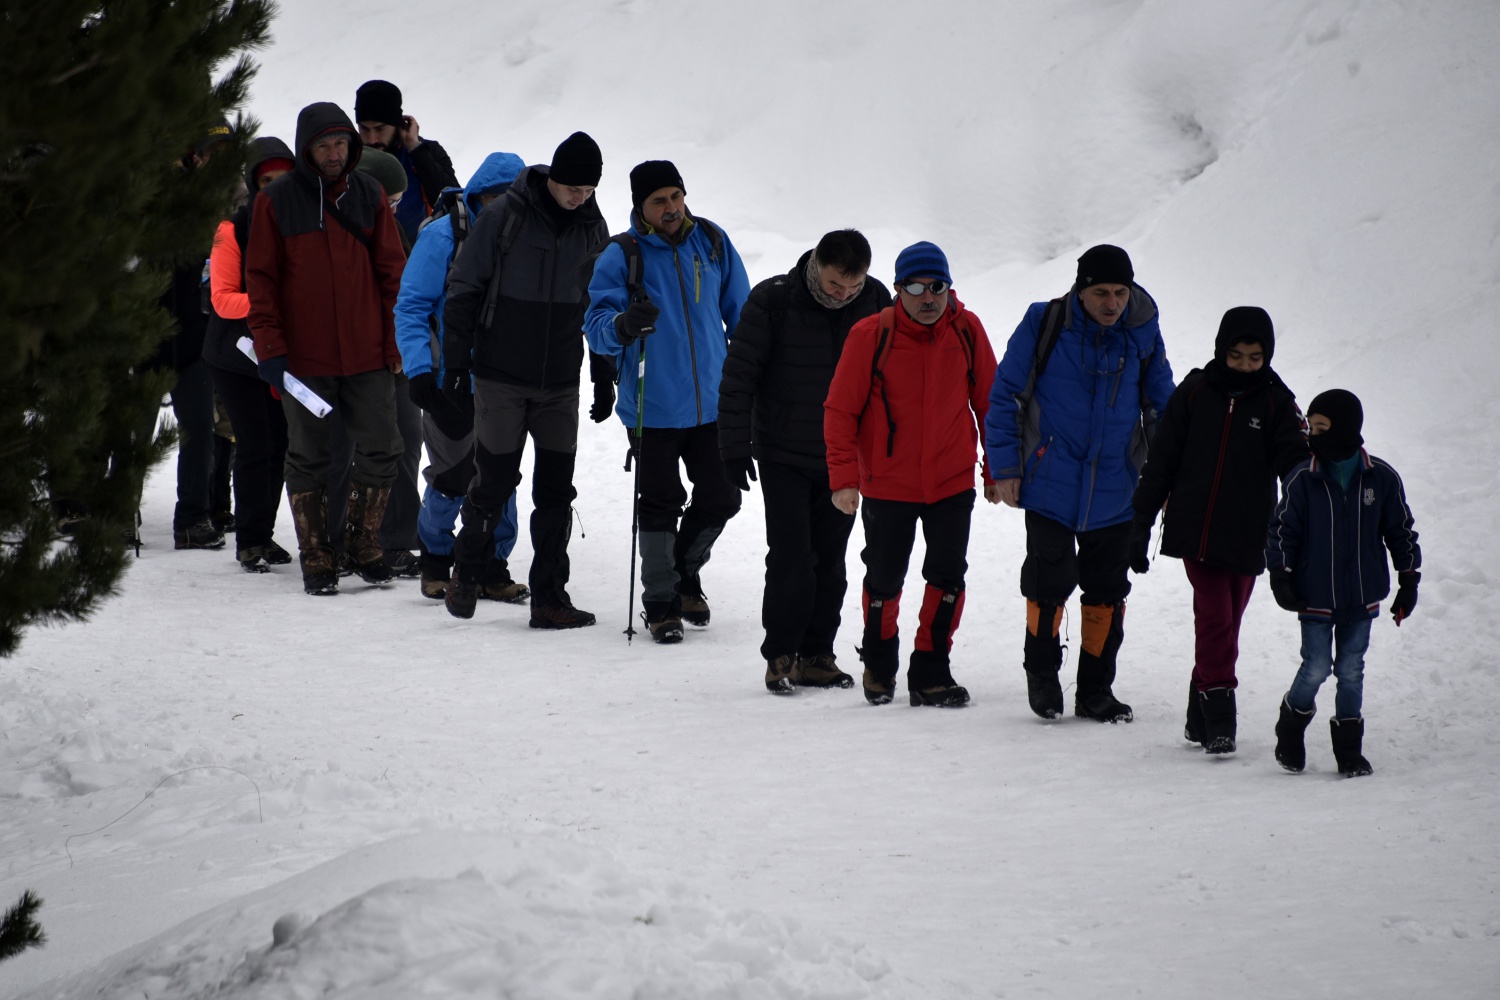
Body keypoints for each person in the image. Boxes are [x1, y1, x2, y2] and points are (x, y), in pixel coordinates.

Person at [984, 244, 1175, 723]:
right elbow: (1007, 394)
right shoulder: (1045, 322)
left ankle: (1095, 690)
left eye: (1119, 292)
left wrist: (1165, 478)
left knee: (1107, 590)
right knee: (1048, 582)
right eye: (1100, 292)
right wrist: (1005, 467)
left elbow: (1162, 409)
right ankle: (1042, 675)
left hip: (1115, 487)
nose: (1111, 303)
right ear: (1080, 290)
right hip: (1050, 479)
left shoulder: (1142, 331)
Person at [441, 132, 609, 628]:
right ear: (552, 177)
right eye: (572, 187)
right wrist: (454, 365)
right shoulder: (504, 217)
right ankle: (466, 575)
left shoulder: (592, 228)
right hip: (500, 377)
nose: (580, 197)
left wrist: (603, 375)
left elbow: (598, 306)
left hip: (560, 380)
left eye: (589, 189)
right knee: (493, 482)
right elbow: (463, 288)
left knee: (556, 492)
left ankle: (549, 598)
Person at [824, 242, 1000, 707]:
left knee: (947, 577)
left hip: (951, 481)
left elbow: (990, 405)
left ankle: (931, 670)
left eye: (937, 287)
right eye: (917, 287)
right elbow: (840, 411)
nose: (928, 298)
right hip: (888, 483)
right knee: (884, 579)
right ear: (898, 289)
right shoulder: (870, 335)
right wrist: (844, 479)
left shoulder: (967, 330)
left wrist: (996, 467)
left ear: (948, 287)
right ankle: (879, 666)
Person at [584, 160, 751, 643]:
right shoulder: (623, 254)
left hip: (713, 407)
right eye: (660, 201)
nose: (672, 207)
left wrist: (750, 386)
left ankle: (682, 574)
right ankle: (661, 603)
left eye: (676, 196)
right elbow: (596, 327)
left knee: (722, 496)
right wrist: (621, 326)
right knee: (659, 504)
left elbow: (741, 317)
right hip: (651, 407)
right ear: (641, 207)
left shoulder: (712, 241)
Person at [719, 229, 891, 694]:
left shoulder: (876, 300)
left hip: (844, 460)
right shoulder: (774, 301)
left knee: (831, 561)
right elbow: (738, 379)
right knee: (793, 557)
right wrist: (733, 447)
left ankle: (818, 655)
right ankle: (782, 653)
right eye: (836, 284)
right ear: (816, 264)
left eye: (853, 287)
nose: (844, 295)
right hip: (783, 453)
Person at [245, 101, 406, 596]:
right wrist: (269, 347)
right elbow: (262, 281)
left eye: (340, 143)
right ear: (305, 149)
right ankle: (317, 554)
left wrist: (396, 341)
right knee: (309, 456)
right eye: (323, 145)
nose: (334, 153)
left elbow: (392, 274)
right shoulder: (276, 203)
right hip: (305, 358)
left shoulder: (369, 194)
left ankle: (363, 543)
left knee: (384, 446)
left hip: (366, 354)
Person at [1130, 307, 1309, 753]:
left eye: (1255, 358)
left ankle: (1198, 717)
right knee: (1214, 620)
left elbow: (1296, 466)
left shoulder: (1276, 403)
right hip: (1198, 531)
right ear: (1220, 351)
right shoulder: (1194, 392)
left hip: (1250, 532)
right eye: (1236, 356)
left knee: (1227, 624)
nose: (1246, 366)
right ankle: (1221, 716)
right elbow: (1162, 462)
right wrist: (1140, 523)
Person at [1266, 389, 1421, 777]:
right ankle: (1291, 725)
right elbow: (1282, 530)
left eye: (1322, 428)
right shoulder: (1304, 478)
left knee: (1351, 669)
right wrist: (1281, 574)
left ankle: (1349, 751)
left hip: (1362, 595)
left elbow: (1400, 530)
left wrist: (1409, 578)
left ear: (1347, 429)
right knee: (1316, 667)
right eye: (1310, 429)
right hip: (1314, 593)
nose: (1313, 437)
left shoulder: (1380, 478)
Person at [394, 151, 527, 601]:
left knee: (501, 476)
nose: (502, 207)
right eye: (494, 198)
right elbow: (411, 307)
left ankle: (491, 564)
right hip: (447, 380)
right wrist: (418, 370)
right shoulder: (443, 235)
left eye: (511, 198)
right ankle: (435, 559)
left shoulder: (527, 237)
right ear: (478, 195)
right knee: (453, 476)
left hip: (506, 380)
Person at [205, 135, 295, 572]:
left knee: (280, 444)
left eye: (285, 178)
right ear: (254, 184)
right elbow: (223, 300)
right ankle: (249, 539)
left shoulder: (301, 224)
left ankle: (262, 534)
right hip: (234, 356)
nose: (276, 187)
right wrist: (272, 304)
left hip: (278, 354)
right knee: (257, 444)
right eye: (268, 179)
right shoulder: (231, 229)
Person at [150, 121, 237, 550]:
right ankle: (117, 516)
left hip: (194, 337)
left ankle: (193, 519)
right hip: (145, 337)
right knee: (133, 432)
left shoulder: (213, 205)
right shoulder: (148, 197)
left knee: (200, 430)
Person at [354, 79, 459, 242]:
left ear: (397, 123)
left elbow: (453, 203)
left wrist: (415, 149)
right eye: (364, 129)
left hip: (420, 257)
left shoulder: (427, 151)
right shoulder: (349, 158)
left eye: (380, 129)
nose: (372, 139)